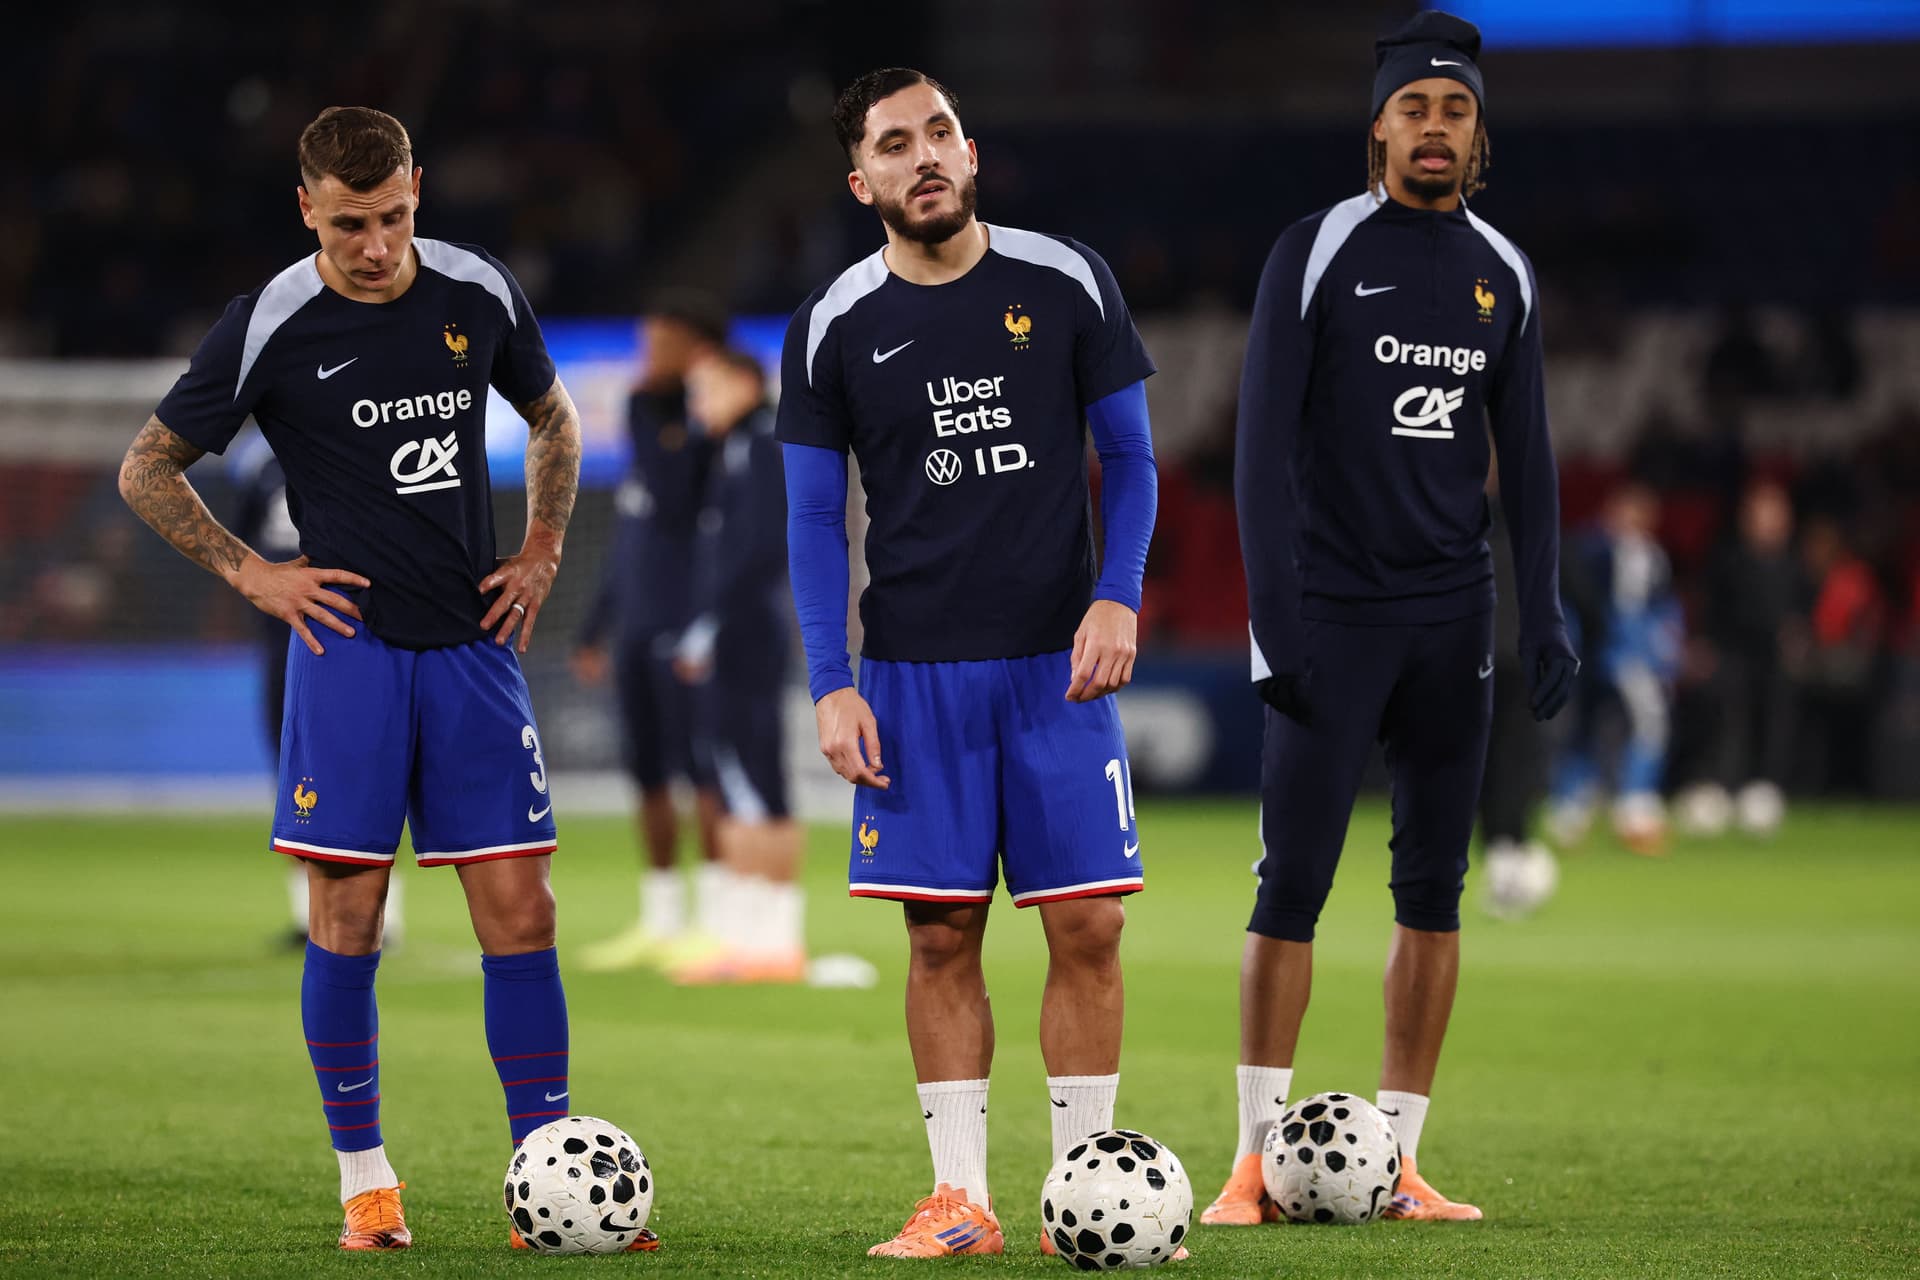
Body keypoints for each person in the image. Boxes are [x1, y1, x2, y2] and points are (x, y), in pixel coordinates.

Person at [115, 106, 654, 1255]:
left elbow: (554, 417)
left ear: (421, 185)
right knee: (348, 916)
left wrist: (546, 544)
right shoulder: (269, 320)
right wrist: (251, 571)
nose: (376, 245)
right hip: (347, 651)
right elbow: (145, 465)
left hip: (471, 647)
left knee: (524, 906)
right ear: (306, 207)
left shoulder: (475, 288)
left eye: (396, 216)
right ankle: (367, 1182)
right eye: (351, 223)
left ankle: (543, 1173)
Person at [778, 68, 1160, 1259]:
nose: (924, 155)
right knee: (941, 932)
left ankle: (1081, 1193)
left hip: (1059, 666)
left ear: (971, 149)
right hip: (911, 674)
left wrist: (1117, 595)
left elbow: (1133, 463)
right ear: (863, 182)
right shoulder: (833, 321)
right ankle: (960, 1200)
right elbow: (809, 520)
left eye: (939, 132)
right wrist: (830, 678)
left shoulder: (1067, 277)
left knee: (1087, 924)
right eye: (896, 144)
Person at [1209, 11, 1578, 1227]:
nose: (1435, 128)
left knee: (1436, 887)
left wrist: (1551, 607)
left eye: (1456, 110)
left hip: (1451, 615)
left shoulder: (1502, 272)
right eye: (1415, 108)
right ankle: (1252, 1162)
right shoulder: (1314, 250)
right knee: (1291, 885)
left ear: (1479, 135)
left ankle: (1404, 1157)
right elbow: (1257, 455)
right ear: (1378, 126)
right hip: (1330, 610)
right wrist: (1273, 620)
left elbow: (1525, 465)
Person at [573, 297, 729, 973]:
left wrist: (656, 413)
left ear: (697, 349)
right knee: (647, 775)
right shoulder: (650, 421)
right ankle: (662, 921)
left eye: (660, 343)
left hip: (690, 625)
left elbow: (671, 498)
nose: (646, 359)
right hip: (637, 624)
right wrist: (595, 625)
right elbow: (633, 535)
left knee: (704, 775)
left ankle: (719, 921)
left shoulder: (717, 429)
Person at [229, 427, 408, 950]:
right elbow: (241, 549)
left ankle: (384, 918)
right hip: (281, 649)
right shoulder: (258, 464)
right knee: (292, 778)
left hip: (353, 641)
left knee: (370, 775)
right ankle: (308, 919)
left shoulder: (352, 441)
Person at [666, 348, 807, 984]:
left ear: (746, 384)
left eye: (707, 389)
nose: (698, 406)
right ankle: (749, 939)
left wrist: (705, 628)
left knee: (754, 781)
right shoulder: (735, 448)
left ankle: (773, 943)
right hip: (739, 628)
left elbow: (759, 547)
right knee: (738, 780)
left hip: (745, 629)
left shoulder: (761, 445)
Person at [1545, 482, 1683, 855]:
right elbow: (1631, 612)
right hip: (1621, 657)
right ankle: (1634, 806)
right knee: (1648, 722)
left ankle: (1569, 806)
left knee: (1589, 727)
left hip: (1597, 655)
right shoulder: (1617, 551)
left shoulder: (1604, 549)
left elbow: (1662, 609)